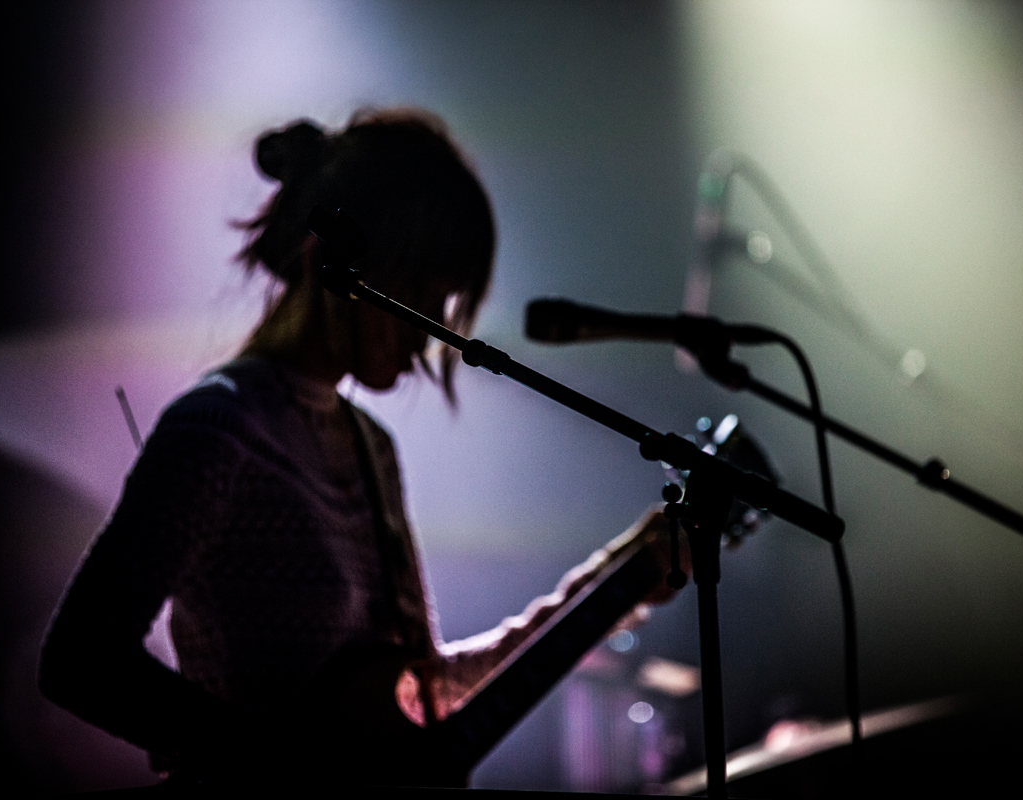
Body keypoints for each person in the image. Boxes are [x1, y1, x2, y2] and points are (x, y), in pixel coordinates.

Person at [38, 109, 684, 789]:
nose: (431, 332)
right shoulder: (217, 432)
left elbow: (428, 692)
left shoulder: (372, 449)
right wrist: (269, 762)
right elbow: (81, 657)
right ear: (338, 265)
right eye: (422, 294)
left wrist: (619, 577)